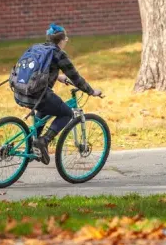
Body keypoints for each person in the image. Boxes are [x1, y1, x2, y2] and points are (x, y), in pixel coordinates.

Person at [13, 23, 102, 165]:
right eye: (66, 39)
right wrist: (91, 91)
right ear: (61, 40)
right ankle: (44, 140)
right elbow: (75, 77)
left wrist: (57, 77)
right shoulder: (58, 54)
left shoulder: (38, 48)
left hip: (21, 92)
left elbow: (38, 69)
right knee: (66, 113)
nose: (66, 41)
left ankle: (33, 145)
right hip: (38, 96)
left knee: (46, 109)